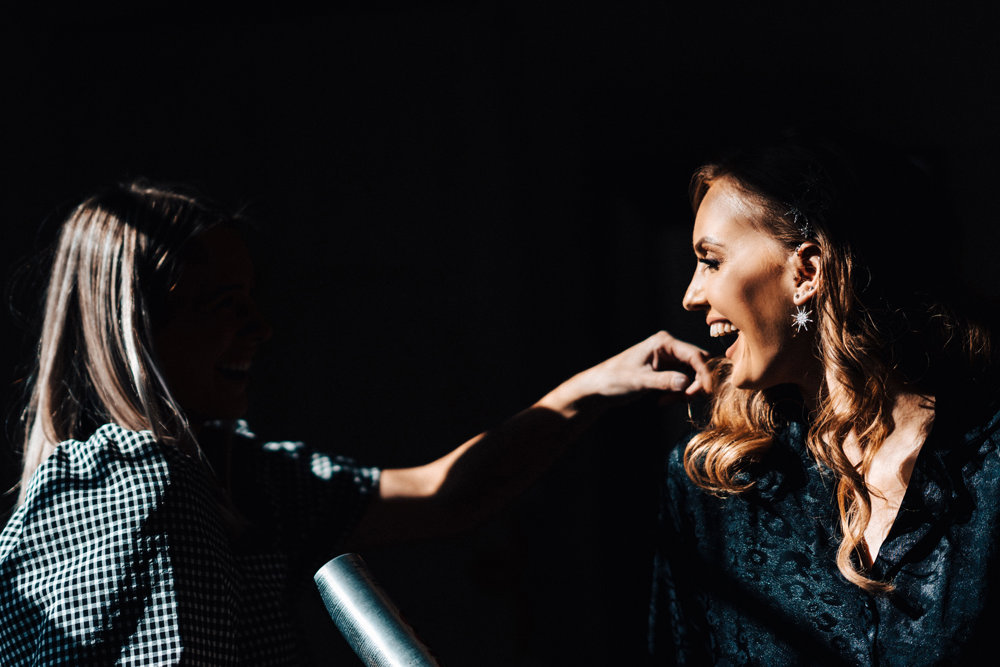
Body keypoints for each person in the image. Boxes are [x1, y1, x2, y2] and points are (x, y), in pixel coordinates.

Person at [0, 180, 711, 665]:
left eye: (253, 298)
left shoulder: (236, 471)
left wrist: (593, 385)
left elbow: (446, 492)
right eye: (224, 305)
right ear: (138, 327)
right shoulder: (130, 486)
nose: (262, 328)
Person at [648, 135, 1000, 665]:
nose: (691, 296)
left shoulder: (988, 464)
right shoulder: (714, 484)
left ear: (807, 270)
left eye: (711, 261)